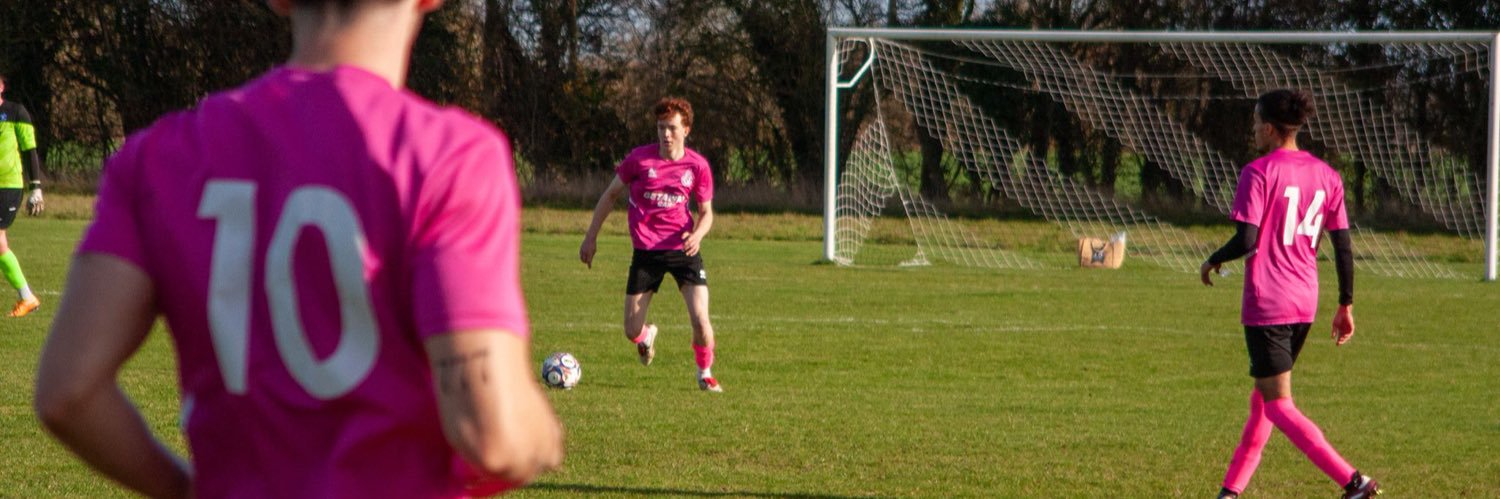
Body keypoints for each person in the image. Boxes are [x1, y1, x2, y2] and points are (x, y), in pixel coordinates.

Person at [32, 1, 563, 497]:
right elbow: (496, 438)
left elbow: (67, 392)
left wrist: (188, 489)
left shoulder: (157, 158)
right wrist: (543, 434)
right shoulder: (450, 156)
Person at [1200, 89, 1379, 499]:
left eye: (1253, 123)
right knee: (1264, 400)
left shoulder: (1258, 172)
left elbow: (1247, 239)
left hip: (1268, 302)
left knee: (1278, 404)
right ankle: (1230, 492)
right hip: (1305, 302)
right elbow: (1343, 247)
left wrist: (1211, 260)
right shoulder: (1327, 175)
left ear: (1267, 127)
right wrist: (1345, 304)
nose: (1252, 130)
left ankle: (1354, 482)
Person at [579, 97, 722, 392]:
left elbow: (707, 213)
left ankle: (705, 372)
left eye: (671, 128)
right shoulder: (639, 160)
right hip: (645, 253)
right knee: (630, 330)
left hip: (684, 250)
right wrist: (591, 236)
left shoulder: (697, 166)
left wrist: (697, 234)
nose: (665, 135)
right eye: (660, 128)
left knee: (700, 320)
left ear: (686, 130)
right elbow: (609, 196)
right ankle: (646, 337)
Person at [0, 72, 45, 317]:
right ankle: (27, 297)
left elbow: (30, 150)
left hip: (7, 186)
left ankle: (27, 297)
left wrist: (35, 186)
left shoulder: (16, 112)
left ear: (2, 86)